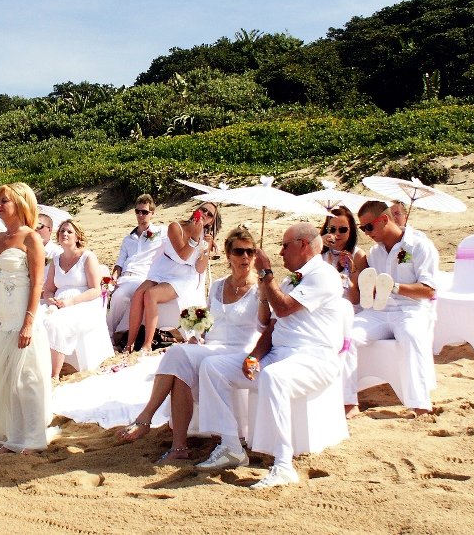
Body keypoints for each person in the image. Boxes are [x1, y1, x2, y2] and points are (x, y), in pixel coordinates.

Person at [196, 223, 344, 489]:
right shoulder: (289, 279)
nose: (281, 251)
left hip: (313, 358)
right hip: (279, 354)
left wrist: (265, 272)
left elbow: (285, 308)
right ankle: (231, 445)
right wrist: (253, 356)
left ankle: (284, 464)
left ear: (303, 245)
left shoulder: (323, 274)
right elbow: (272, 326)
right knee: (212, 366)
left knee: (275, 377)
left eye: (285, 245)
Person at [116, 227, 265, 462]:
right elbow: (212, 323)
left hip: (239, 351)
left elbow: (266, 326)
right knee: (178, 357)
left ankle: (146, 418)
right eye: (239, 251)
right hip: (212, 346)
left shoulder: (259, 290)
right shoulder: (217, 286)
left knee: (180, 358)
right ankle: (178, 447)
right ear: (228, 255)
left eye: (250, 251)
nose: (245, 257)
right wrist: (199, 334)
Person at [0, 182, 51, 453]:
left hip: (20, 317)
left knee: (26, 379)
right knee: (7, 381)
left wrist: (28, 321)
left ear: (20, 204)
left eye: (4, 200)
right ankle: (14, 437)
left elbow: (37, 284)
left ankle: (33, 438)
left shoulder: (31, 238)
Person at [343, 200, 439, 417]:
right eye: (362, 228)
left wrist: (393, 287)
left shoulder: (419, 245)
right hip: (379, 311)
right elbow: (368, 291)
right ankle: (349, 401)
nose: (366, 233)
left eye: (369, 227)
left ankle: (420, 404)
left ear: (384, 219)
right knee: (345, 336)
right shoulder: (375, 253)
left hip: (410, 309)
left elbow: (429, 290)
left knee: (412, 336)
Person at [125, 202, 220, 353]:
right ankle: (129, 343)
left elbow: (199, 268)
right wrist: (195, 238)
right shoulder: (176, 226)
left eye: (210, 215)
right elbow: (182, 255)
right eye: (203, 210)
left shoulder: (206, 238)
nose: (205, 215)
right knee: (138, 294)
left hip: (184, 276)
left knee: (151, 295)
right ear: (196, 209)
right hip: (164, 267)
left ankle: (147, 344)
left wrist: (206, 250)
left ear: (212, 221)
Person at [43, 219, 106, 379]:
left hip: (84, 303)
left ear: (78, 237)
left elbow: (96, 289)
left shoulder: (87, 257)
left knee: (55, 323)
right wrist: (51, 300)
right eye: (62, 231)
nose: (64, 233)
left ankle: (54, 374)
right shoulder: (55, 260)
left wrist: (71, 302)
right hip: (58, 303)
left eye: (69, 231)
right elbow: (49, 290)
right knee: (36, 319)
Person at [106, 194, 165, 341]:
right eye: (137, 211)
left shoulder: (160, 233)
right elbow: (120, 262)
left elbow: (179, 238)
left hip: (142, 278)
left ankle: (109, 335)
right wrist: (114, 277)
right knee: (104, 295)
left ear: (152, 213)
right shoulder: (128, 239)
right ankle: (110, 333)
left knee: (119, 297)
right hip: (124, 277)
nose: (140, 215)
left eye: (144, 212)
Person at [320, 206, 369, 304]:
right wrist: (318, 242)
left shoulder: (358, 256)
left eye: (342, 229)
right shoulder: (319, 252)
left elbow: (361, 297)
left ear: (351, 230)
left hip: (350, 307)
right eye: (332, 229)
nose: (337, 234)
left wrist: (352, 270)